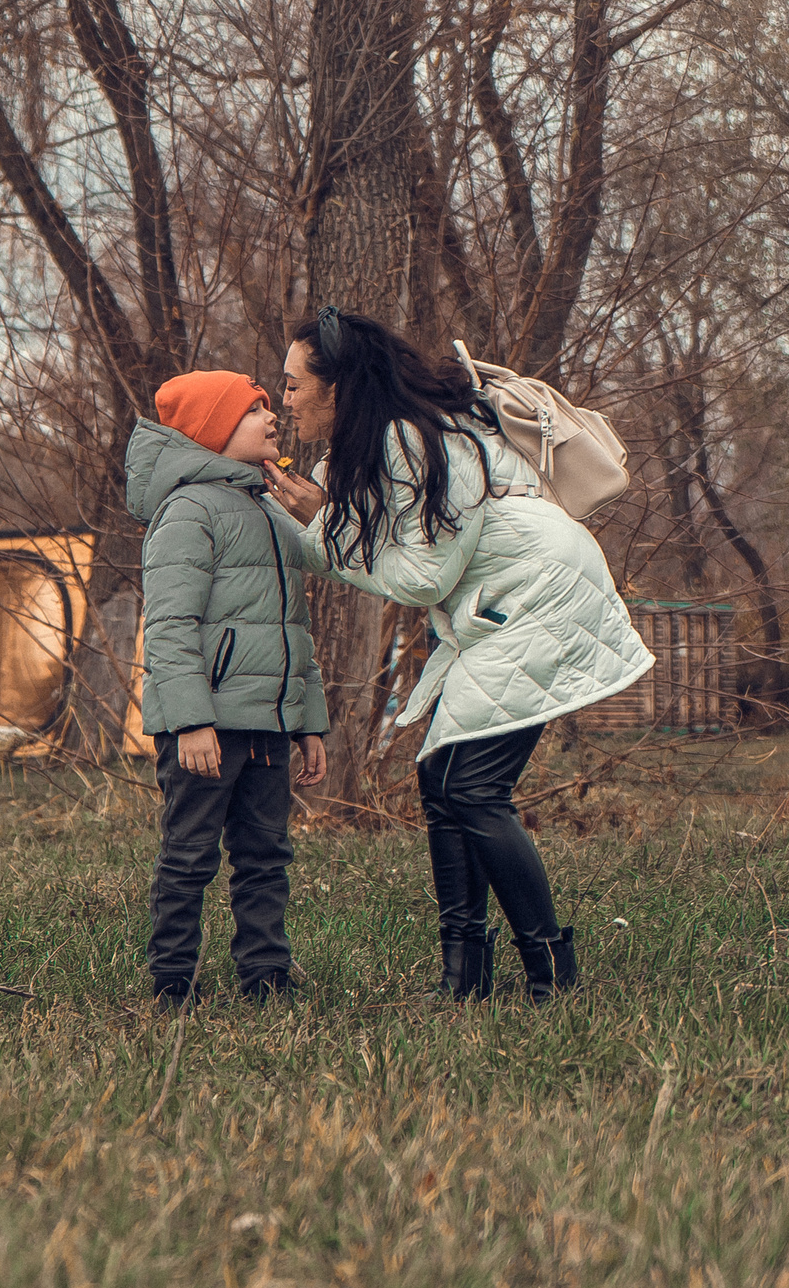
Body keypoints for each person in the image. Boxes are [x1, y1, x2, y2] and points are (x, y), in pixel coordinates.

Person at [263, 310, 650, 1005]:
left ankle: (551, 975)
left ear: (340, 386)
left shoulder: (407, 440)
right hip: (505, 605)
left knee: (472, 788)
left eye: (293, 385)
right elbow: (380, 549)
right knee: (443, 780)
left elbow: (422, 578)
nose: (284, 399)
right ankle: (462, 975)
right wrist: (314, 517)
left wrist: (323, 526)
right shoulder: (373, 444)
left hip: (540, 597)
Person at [130, 370, 330, 1007]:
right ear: (214, 432)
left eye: (272, 407)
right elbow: (169, 625)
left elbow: (290, 627)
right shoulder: (188, 512)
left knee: (266, 855)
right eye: (254, 411)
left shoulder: (272, 510)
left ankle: (266, 978)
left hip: (268, 722)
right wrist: (190, 720)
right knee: (189, 855)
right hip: (205, 727)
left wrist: (309, 720)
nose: (272, 417)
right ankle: (171, 981)